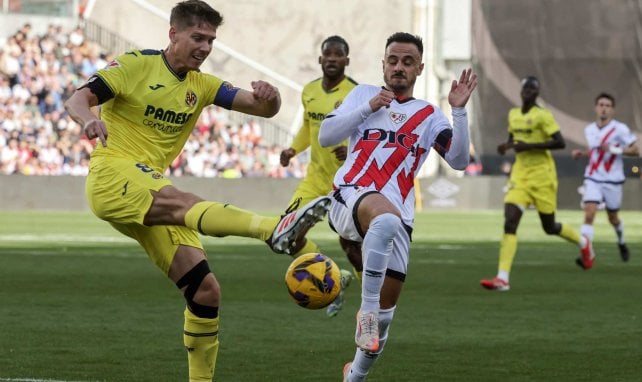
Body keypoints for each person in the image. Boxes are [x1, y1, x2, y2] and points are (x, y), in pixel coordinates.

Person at [63, 1, 330, 380]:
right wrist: (88, 120)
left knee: (206, 291)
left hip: (147, 183)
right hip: (113, 175)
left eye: (211, 40)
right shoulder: (137, 64)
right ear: (173, 34)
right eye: (198, 37)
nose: (205, 47)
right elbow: (77, 98)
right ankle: (274, 230)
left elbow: (260, 108)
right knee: (183, 201)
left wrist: (271, 98)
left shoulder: (202, 85)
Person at [319, 32, 477, 381]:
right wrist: (368, 107)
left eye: (407, 62)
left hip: (397, 216)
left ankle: (354, 375)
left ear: (419, 68)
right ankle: (367, 311)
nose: (399, 67)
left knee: (385, 321)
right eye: (393, 60)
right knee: (384, 223)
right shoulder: (362, 94)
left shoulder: (428, 115)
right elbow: (326, 137)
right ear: (383, 64)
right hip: (350, 194)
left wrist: (459, 111)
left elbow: (460, 160)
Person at [480, 76, 594, 292]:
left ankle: (583, 242)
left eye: (533, 90)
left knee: (549, 227)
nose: (528, 92)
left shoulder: (543, 116)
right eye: (526, 88)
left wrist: (529, 146)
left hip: (543, 176)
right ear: (521, 91)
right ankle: (502, 278)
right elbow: (514, 139)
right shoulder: (514, 114)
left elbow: (560, 142)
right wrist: (507, 146)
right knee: (510, 221)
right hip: (520, 176)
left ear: (537, 93)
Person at [279, 35, 361, 317]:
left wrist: (350, 150)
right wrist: (293, 149)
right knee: (286, 234)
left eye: (339, 55)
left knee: (350, 245)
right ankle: (335, 281)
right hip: (314, 179)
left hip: (346, 181)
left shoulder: (356, 93)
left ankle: (370, 308)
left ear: (347, 61)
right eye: (329, 54)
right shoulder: (309, 90)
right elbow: (308, 127)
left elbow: (368, 132)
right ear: (320, 59)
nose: (333, 59)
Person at [571, 92, 639, 263]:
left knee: (613, 218)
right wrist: (583, 153)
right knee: (589, 214)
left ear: (612, 110)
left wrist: (615, 150)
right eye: (601, 105)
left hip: (613, 180)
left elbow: (635, 150)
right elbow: (596, 151)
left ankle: (622, 242)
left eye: (607, 106)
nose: (604, 108)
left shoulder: (620, 129)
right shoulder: (589, 129)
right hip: (593, 178)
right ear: (596, 108)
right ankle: (587, 254)